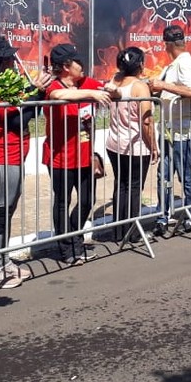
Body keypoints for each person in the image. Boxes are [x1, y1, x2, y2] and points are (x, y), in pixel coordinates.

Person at [0, 36, 52, 288]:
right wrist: (36, 92)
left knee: (5, 212)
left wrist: (35, 93)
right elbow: (17, 120)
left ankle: (3, 260)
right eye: (8, 59)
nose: (12, 63)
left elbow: (27, 111)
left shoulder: (1, 89)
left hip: (11, 158)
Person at [43, 43, 112, 262]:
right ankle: (67, 249)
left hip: (85, 156)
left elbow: (108, 88)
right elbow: (57, 94)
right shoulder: (54, 86)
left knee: (87, 200)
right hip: (60, 157)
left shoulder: (86, 82)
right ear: (66, 66)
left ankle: (74, 237)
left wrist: (113, 89)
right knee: (62, 202)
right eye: (77, 62)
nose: (82, 65)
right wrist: (91, 93)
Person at [148, 25, 191, 235]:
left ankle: (190, 215)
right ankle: (163, 216)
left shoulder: (185, 63)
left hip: (184, 131)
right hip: (170, 130)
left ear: (168, 44)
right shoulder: (173, 65)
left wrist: (163, 86)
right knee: (164, 175)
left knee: (185, 175)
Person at [105, 47, 160, 241]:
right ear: (141, 65)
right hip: (135, 146)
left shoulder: (114, 80)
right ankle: (133, 232)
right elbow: (147, 121)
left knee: (120, 186)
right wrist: (153, 146)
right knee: (134, 188)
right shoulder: (139, 87)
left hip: (114, 143)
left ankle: (118, 231)